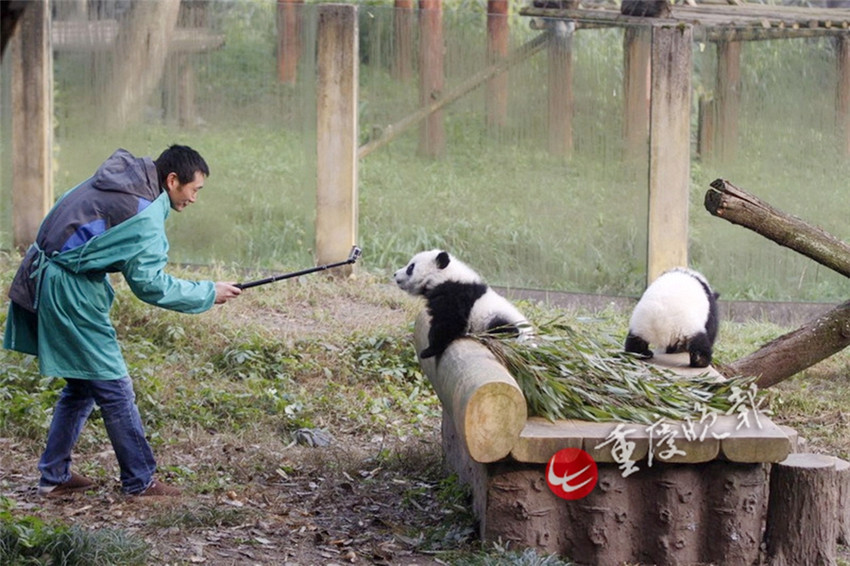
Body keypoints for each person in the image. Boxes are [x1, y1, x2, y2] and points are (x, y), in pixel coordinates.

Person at [3, 145, 242, 497]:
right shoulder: (143, 213)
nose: (195, 199)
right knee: (115, 388)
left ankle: (54, 476)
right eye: (195, 190)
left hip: (50, 274)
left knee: (83, 386)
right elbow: (150, 284)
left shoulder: (123, 179)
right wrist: (207, 293)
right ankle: (140, 481)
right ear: (173, 180)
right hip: (67, 291)